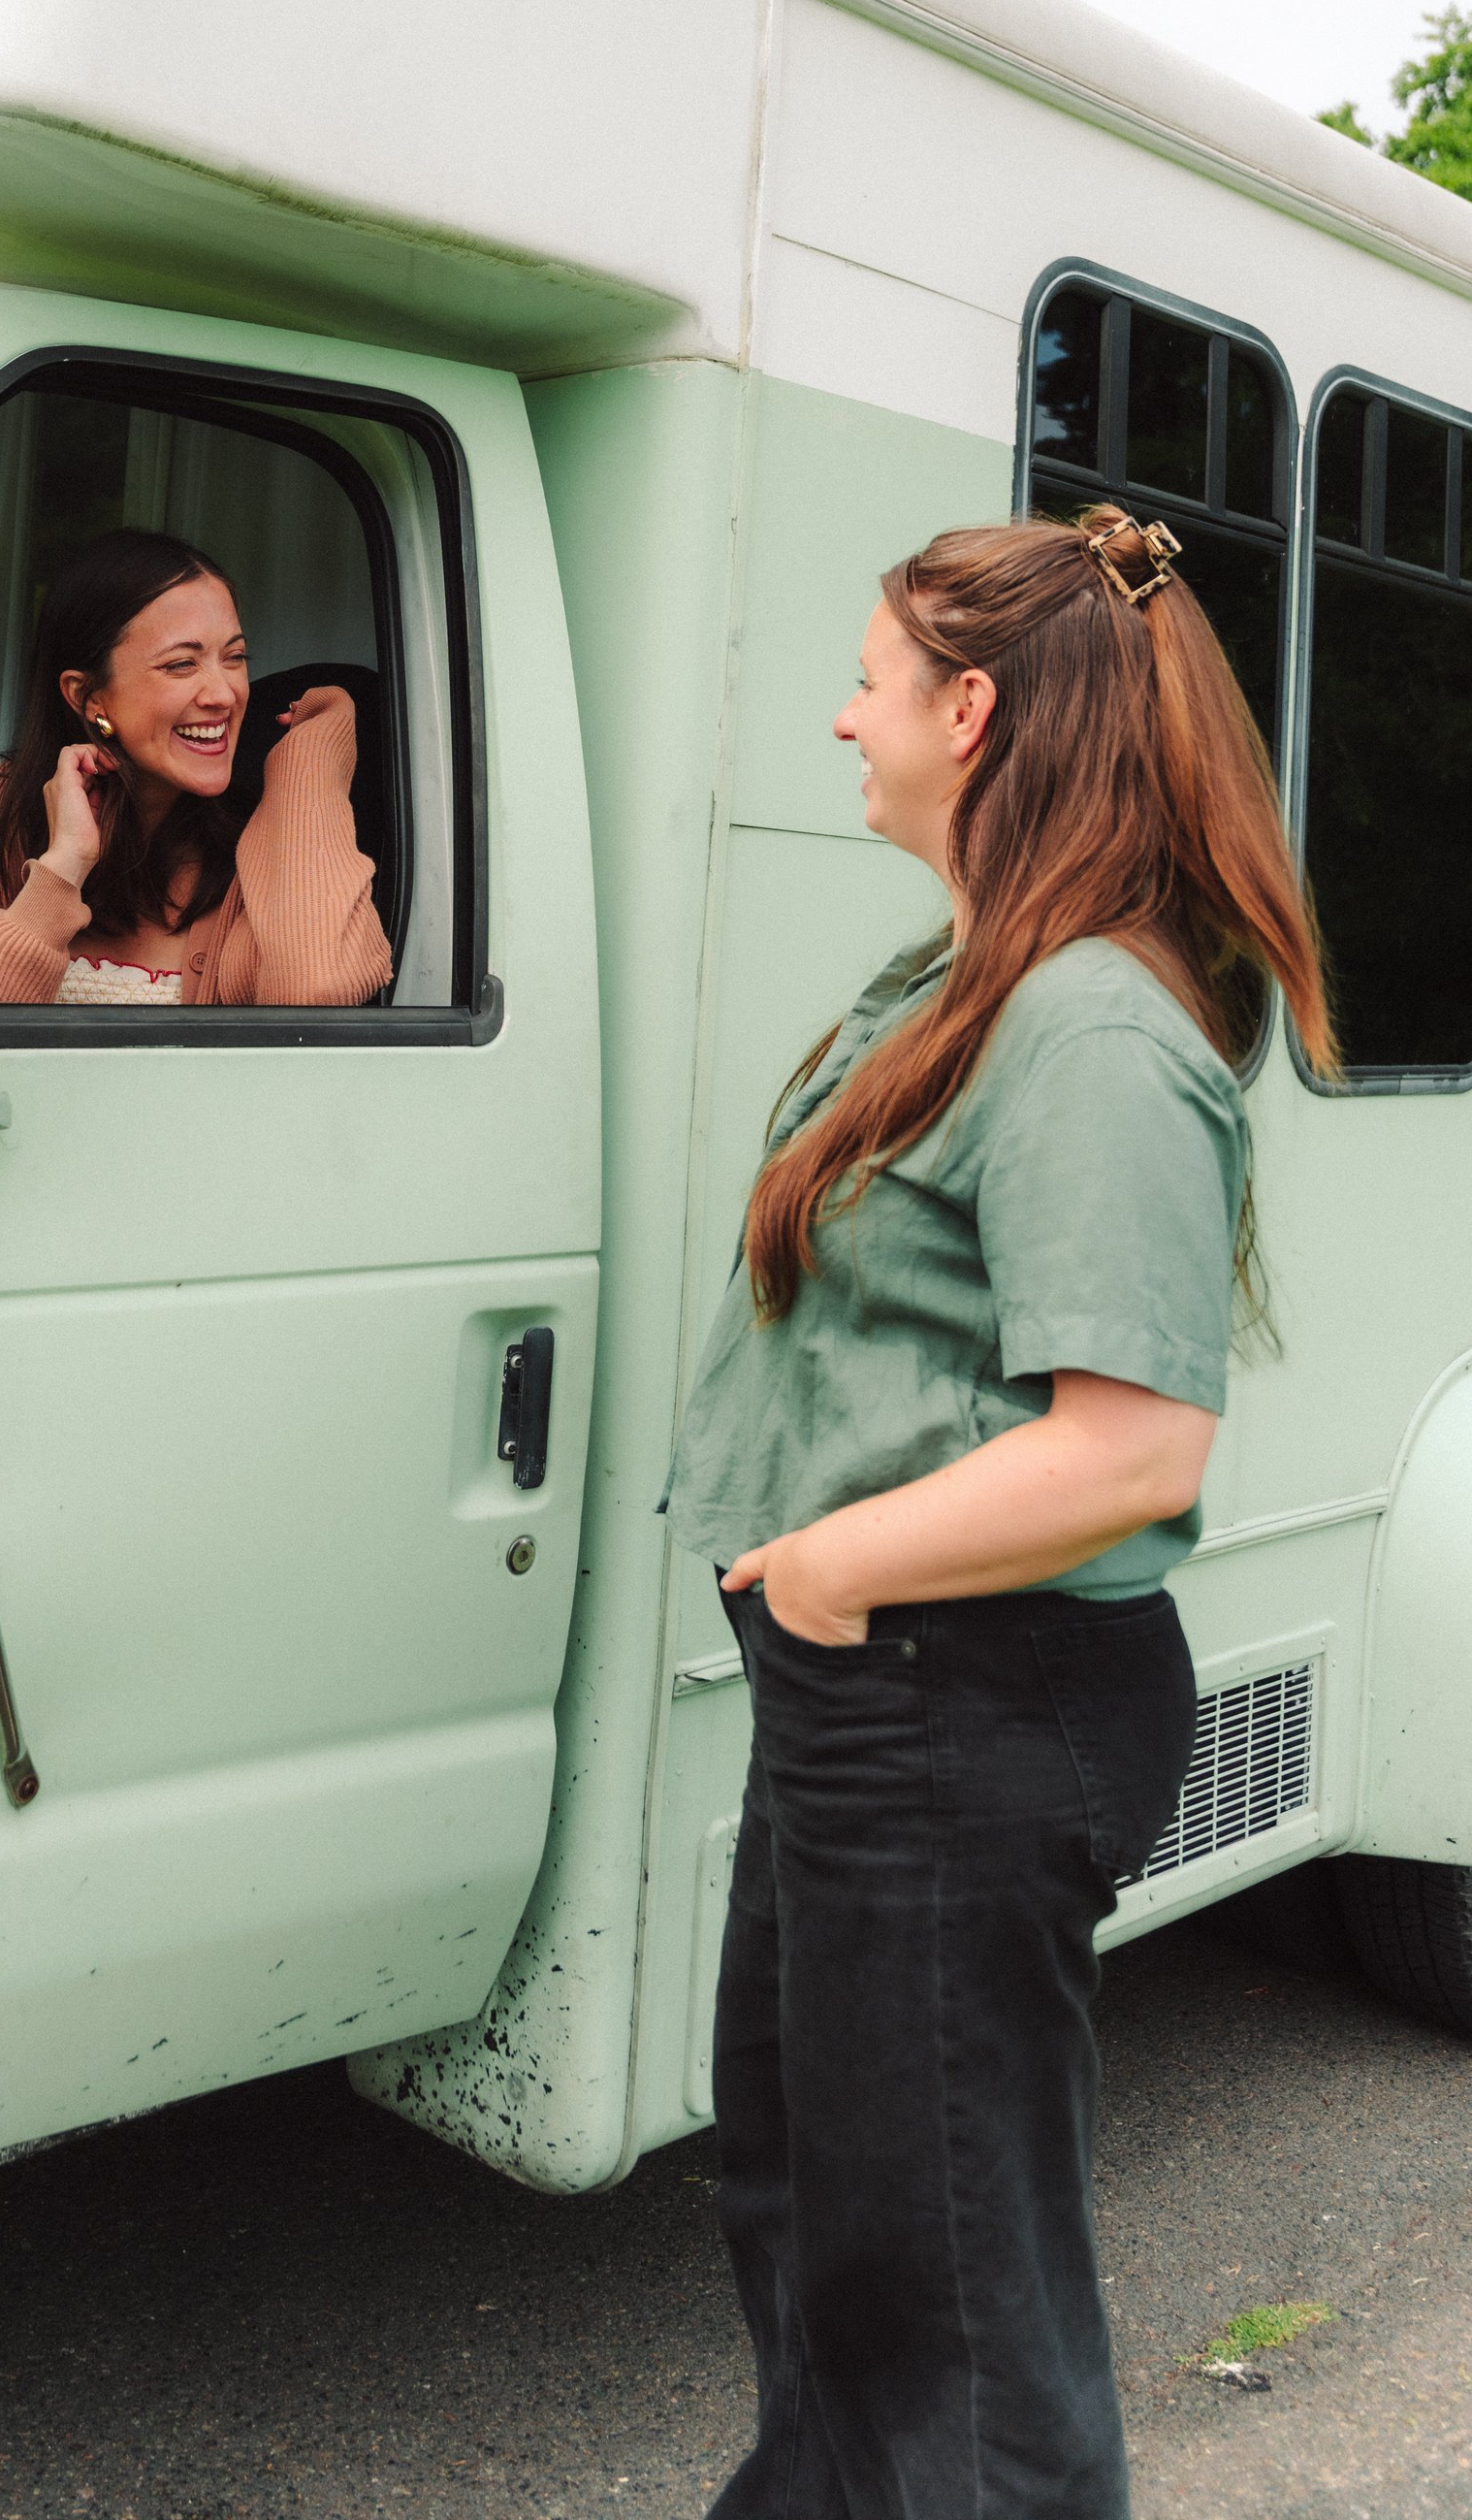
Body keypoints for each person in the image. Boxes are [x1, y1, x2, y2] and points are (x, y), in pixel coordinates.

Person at [663, 503, 1334, 2520]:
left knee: (943, 2295)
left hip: (963, 1700)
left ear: (966, 709)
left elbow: (1130, 1445)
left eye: (866, 677)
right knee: (813, 2216)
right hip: (879, 1696)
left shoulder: (1089, 1026)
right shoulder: (969, 970)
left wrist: (830, 1566)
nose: (837, 715)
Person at [0, 527, 392, 1008]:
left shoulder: (257, 849)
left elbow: (318, 990)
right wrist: (63, 870)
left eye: (235, 657)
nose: (224, 694)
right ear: (87, 696)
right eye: (181, 665)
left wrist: (309, 762)